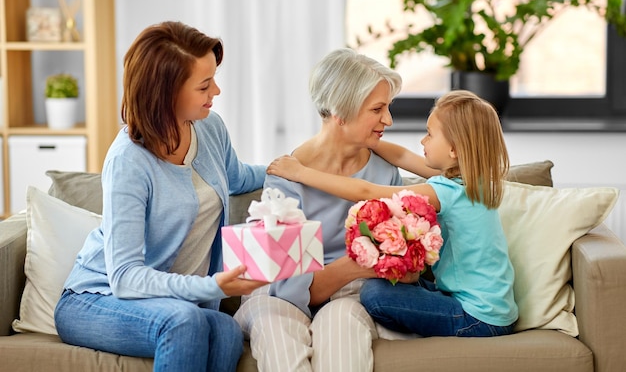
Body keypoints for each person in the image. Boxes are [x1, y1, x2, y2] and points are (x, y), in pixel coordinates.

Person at [54, 21, 268, 372]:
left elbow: (237, 177)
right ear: (166, 93)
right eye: (204, 85)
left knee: (226, 330)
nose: (216, 90)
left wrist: (296, 166)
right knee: (184, 320)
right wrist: (209, 285)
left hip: (169, 302)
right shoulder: (129, 160)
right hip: (95, 300)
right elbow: (123, 277)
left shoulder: (208, 127)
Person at [234, 48, 438, 372]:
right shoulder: (287, 176)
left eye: (388, 107)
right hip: (278, 296)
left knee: (342, 323)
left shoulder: (384, 171)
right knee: (275, 327)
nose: (388, 120)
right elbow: (288, 289)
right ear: (341, 111)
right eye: (377, 109)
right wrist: (363, 262)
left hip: (350, 296)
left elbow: (403, 266)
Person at [267, 90, 518, 338]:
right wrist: (363, 139)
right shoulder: (479, 181)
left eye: (430, 135)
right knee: (394, 281)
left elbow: (366, 191)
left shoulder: (446, 191)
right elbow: (402, 156)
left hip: (476, 318)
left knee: (376, 295)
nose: (423, 141)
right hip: (493, 310)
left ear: (453, 150)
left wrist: (300, 173)